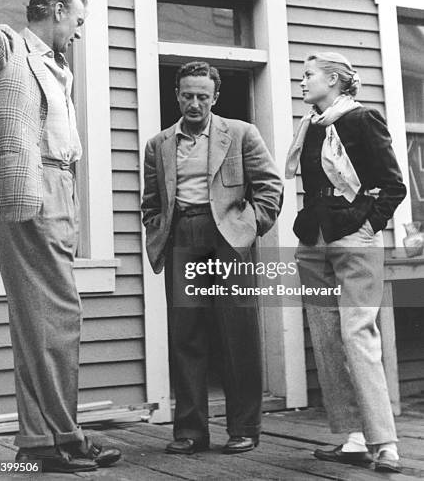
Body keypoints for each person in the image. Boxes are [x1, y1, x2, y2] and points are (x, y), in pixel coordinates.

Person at [0, 0, 121, 473]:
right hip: (32, 189)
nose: (80, 31)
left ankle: (44, 440)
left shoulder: (61, 67)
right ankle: (60, 437)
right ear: (56, 11)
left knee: (44, 319)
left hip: (61, 188)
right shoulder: (10, 49)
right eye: (78, 20)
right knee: (56, 315)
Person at [142, 61, 283, 455]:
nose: (194, 103)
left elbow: (271, 189)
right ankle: (190, 431)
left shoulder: (240, 134)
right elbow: (150, 202)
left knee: (237, 333)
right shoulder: (159, 144)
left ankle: (244, 428)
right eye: (187, 95)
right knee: (187, 335)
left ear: (215, 97)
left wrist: (247, 226)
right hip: (183, 237)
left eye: (203, 96)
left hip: (228, 239)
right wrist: (162, 230)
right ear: (177, 95)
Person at [285, 52, 406, 473]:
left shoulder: (361, 119)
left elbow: (393, 186)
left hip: (355, 237)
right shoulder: (312, 125)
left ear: (334, 79)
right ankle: (354, 437)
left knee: (358, 334)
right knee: (327, 337)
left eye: (308, 75)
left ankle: (385, 443)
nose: (301, 82)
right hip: (314, 240)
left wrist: (369, 226)